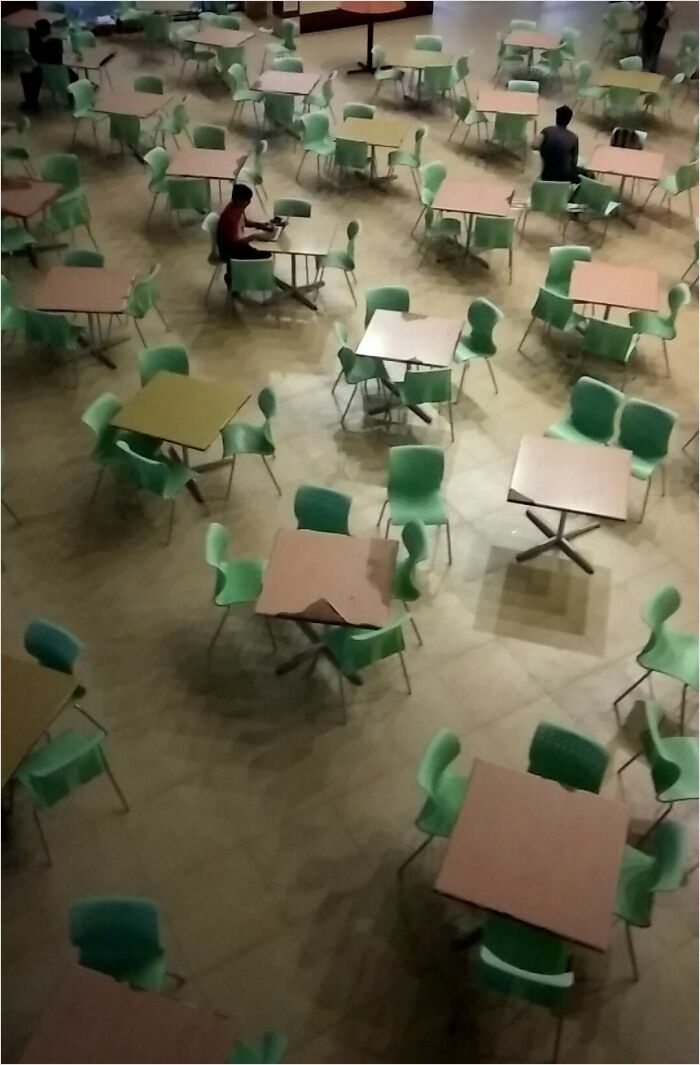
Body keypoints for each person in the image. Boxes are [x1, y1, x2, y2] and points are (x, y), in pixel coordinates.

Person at [217, 184, 275, 288]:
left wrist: (260, 225)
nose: (249, 202)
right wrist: (253, 237)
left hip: (236, 245)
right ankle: (233, 278)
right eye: (247, 200)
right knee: (265, 255)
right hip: (230, 251)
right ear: (239, 200)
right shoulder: (230, 217)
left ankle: (235, 275)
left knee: (263, 252)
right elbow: (233, 243)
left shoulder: (236, 207)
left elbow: (244, 222)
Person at [20, 18, 76, 112]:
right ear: (49, 29)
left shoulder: (36, 47)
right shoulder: (57, 43)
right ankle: (73, 99)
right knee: (75, 76)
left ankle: (31, 102)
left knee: (26, 75)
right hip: (62, 76)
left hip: (44, 76)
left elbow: (34, 57)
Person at [534, 105, 590, 184]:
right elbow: (574, 162)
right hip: (565, 177)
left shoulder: (546, 131)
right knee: (588, 174)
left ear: (556, 117)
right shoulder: (573, 137)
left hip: (546, 175)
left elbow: (534, 145)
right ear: (569, 120)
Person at [637, 2, 673, 72]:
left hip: (647, 26)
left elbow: (636, 9)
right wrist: (664, 18)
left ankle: (644, 69)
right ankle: (652, 70)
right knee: (655, 51)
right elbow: (671, 10)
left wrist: (641, 17)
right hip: (659, 28)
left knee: (645, 49)